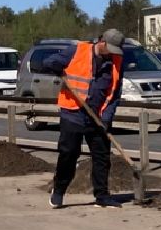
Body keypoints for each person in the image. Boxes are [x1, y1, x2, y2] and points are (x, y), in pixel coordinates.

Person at [43, 29, 125, 209]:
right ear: (101, 42)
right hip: (73, 112)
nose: (112, 54)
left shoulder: (117, 61)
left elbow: (115, 93)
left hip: (97, 115)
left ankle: (102, 196)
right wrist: (56, 68)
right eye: (110, 49)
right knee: (69, 153)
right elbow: (47, 62)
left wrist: (106, 118)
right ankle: (58, 190)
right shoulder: (77, 51)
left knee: (102, 155)